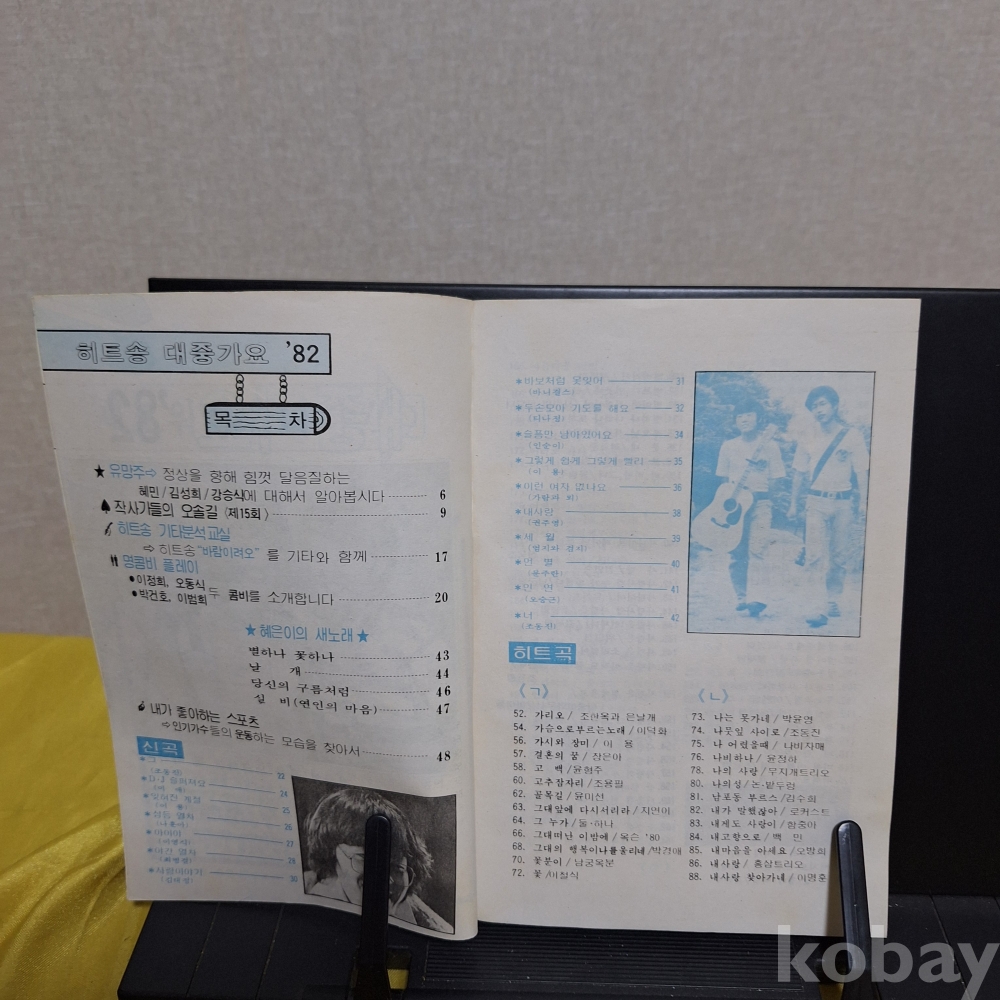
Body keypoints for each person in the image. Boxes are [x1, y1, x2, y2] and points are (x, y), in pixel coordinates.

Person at [302, 786, 454, 933]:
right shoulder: (310, 917)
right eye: (365, 858)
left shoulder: (426, 923)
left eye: (396, 867)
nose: (385, 877)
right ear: (331, 856)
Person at [789, 386, 869, 628]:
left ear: (834, 406)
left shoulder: (852, 435)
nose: (818, 410)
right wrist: (793, 504)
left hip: (844, 502)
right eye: (814, 406)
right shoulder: (807, 436)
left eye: (822, 404)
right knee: (813, 555)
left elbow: (861, 471)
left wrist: (863, 502)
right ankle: (815, 606)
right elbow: (798, 472)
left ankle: (833, 599)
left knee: (839, 556)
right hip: (815, 501)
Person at [714, 400, 785, 617]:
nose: (744, 420)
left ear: (758, 418)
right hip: (735, 505)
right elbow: (723, 479)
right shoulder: (728, 446)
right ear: (735, 421)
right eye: (740, 416)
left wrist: (764, 497)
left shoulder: (770, 445)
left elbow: (776, 478)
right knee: (737, 552)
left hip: (761, 503)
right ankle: (742, 596)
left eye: (749, 415)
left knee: (758, 550)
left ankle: (757, 598)